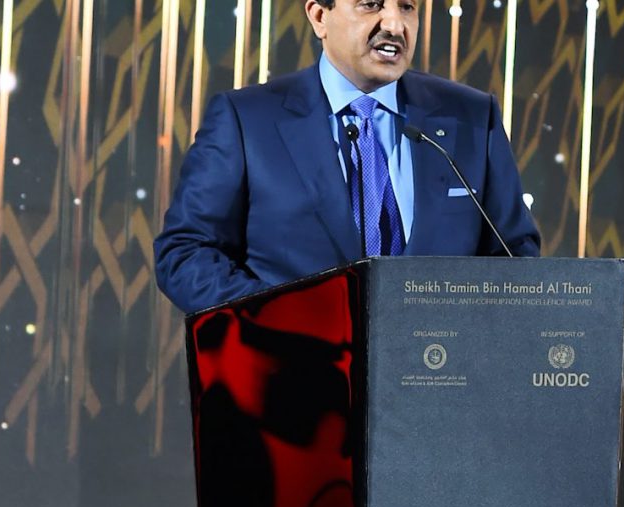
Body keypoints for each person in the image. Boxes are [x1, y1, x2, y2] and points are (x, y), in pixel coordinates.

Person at [154, 0, 541, 314]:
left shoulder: (471, 116)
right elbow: (185, 253)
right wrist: (275, 316)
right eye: (371, 4)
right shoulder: (246, 120)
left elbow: (514, 256)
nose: (394, 24)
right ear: (319, 16)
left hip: (438, 377)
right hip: (293, 373)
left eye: (407, 7)